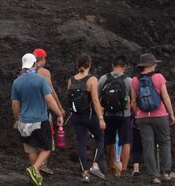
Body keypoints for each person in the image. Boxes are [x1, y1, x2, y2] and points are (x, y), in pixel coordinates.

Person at [12, 53, 64, 186]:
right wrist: (59, 114)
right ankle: (34, 169)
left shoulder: (17, 82)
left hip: (24, 122)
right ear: (35, 64)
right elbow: (49, 99)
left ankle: (36, 176)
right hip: (40, 120)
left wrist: (17, 119)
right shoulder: (40, 80)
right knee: (47, 148)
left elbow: (15, 104)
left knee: (32, 150)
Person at [131, 53, 175, 184]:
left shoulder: (135, 80)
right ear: (151, 65)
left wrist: (137, 115)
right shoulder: (159, 77)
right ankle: (166, 173)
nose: (156, 65)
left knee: (148, 146)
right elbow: (166, 98)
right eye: (155, 63)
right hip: (160, 115)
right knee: (164, 142)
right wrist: (171, 114)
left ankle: (154, 176)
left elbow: (133, 102)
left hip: (142, 117)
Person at [67, 54, 107, 182]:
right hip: (90, 116)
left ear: (77, 65)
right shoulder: (92, 80)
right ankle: (95, 165)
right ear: (89, 65)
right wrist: (101, 118)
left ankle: (85, 173)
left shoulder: (71, 80)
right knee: (100, 138)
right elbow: (95, 100)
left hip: (76, 116)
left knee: (81, 143)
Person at [98, 55, 133, 177]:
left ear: (112, 65)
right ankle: (123, 169)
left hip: (108, 114)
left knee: (109, 141)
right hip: (124, 115)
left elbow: (97, 97)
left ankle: (112, 167)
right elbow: (133, 99)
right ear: (125, 66)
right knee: (126, 141)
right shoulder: (129, 80)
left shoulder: (103, 79)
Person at [31, 48, 63, 157]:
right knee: (46, 139)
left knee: (33, 142)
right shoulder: (43, 72)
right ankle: (42, 165)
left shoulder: (25, 72)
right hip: (43, 110)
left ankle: (36, 166)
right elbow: (51, 92)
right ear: (43, 59)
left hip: (30, 110)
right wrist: (60, 108)